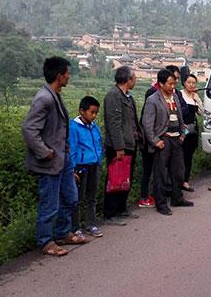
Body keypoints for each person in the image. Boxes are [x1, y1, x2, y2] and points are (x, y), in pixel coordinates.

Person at [23, 56, 88, 257]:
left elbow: (59, 129)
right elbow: (29, 128)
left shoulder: (55, 95)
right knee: (49, 204)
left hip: (62, 159)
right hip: (50, 161)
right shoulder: (44, 98)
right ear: (60, 76)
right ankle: (46, 241)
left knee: (70, 197)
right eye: (67, 73)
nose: (69, 76)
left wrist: (66, 152)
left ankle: (62, 233)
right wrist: (44, 152)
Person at [142, 69, 194, 216]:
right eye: (170, 84)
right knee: (161, 173)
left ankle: (177, 198)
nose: (173, 87)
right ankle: (161, 203)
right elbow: (147, 124)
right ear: (161, 84)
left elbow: (180, 118)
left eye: (174, 83)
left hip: (176, 138)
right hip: (163, 139)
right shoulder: (153, 100)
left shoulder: (175, 97)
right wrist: (155, 141)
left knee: (178, 171)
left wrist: (182, 134)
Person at [103, 66, 142, 224]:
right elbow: (114, 124)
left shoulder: (128, 97)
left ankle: (122, 208)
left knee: (125, 178)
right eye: (134, 77)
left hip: (130, 143)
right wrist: (119, 147)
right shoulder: (113, 96)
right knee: (114, 179)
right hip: (118, 146)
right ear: (128, 80)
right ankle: (110, 213)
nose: (135, 80)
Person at [69, 96, 104, 238]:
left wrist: (99, 160)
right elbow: (71, 149)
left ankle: (91, 224)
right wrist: (71, 169)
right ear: (82, 111)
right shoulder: (73, 127)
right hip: (80, 167)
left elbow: (98, 144)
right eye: (92, 112)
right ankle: (75, 227)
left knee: (91, 197)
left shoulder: (94, 127)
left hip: (94, 165)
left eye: (96, 113)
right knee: (77, 198)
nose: (94, 115)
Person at [180, 73, 204, 192]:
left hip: (192, 131)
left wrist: (197, 99)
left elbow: (201, 112)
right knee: (180, 156)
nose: (191, 85)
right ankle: (177, 181)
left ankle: (185, 181)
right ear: (184, 83)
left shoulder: (194, 96)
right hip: (182, 130)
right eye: (189, 82)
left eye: (193, 83)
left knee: (188, 157)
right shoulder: (180, 94)